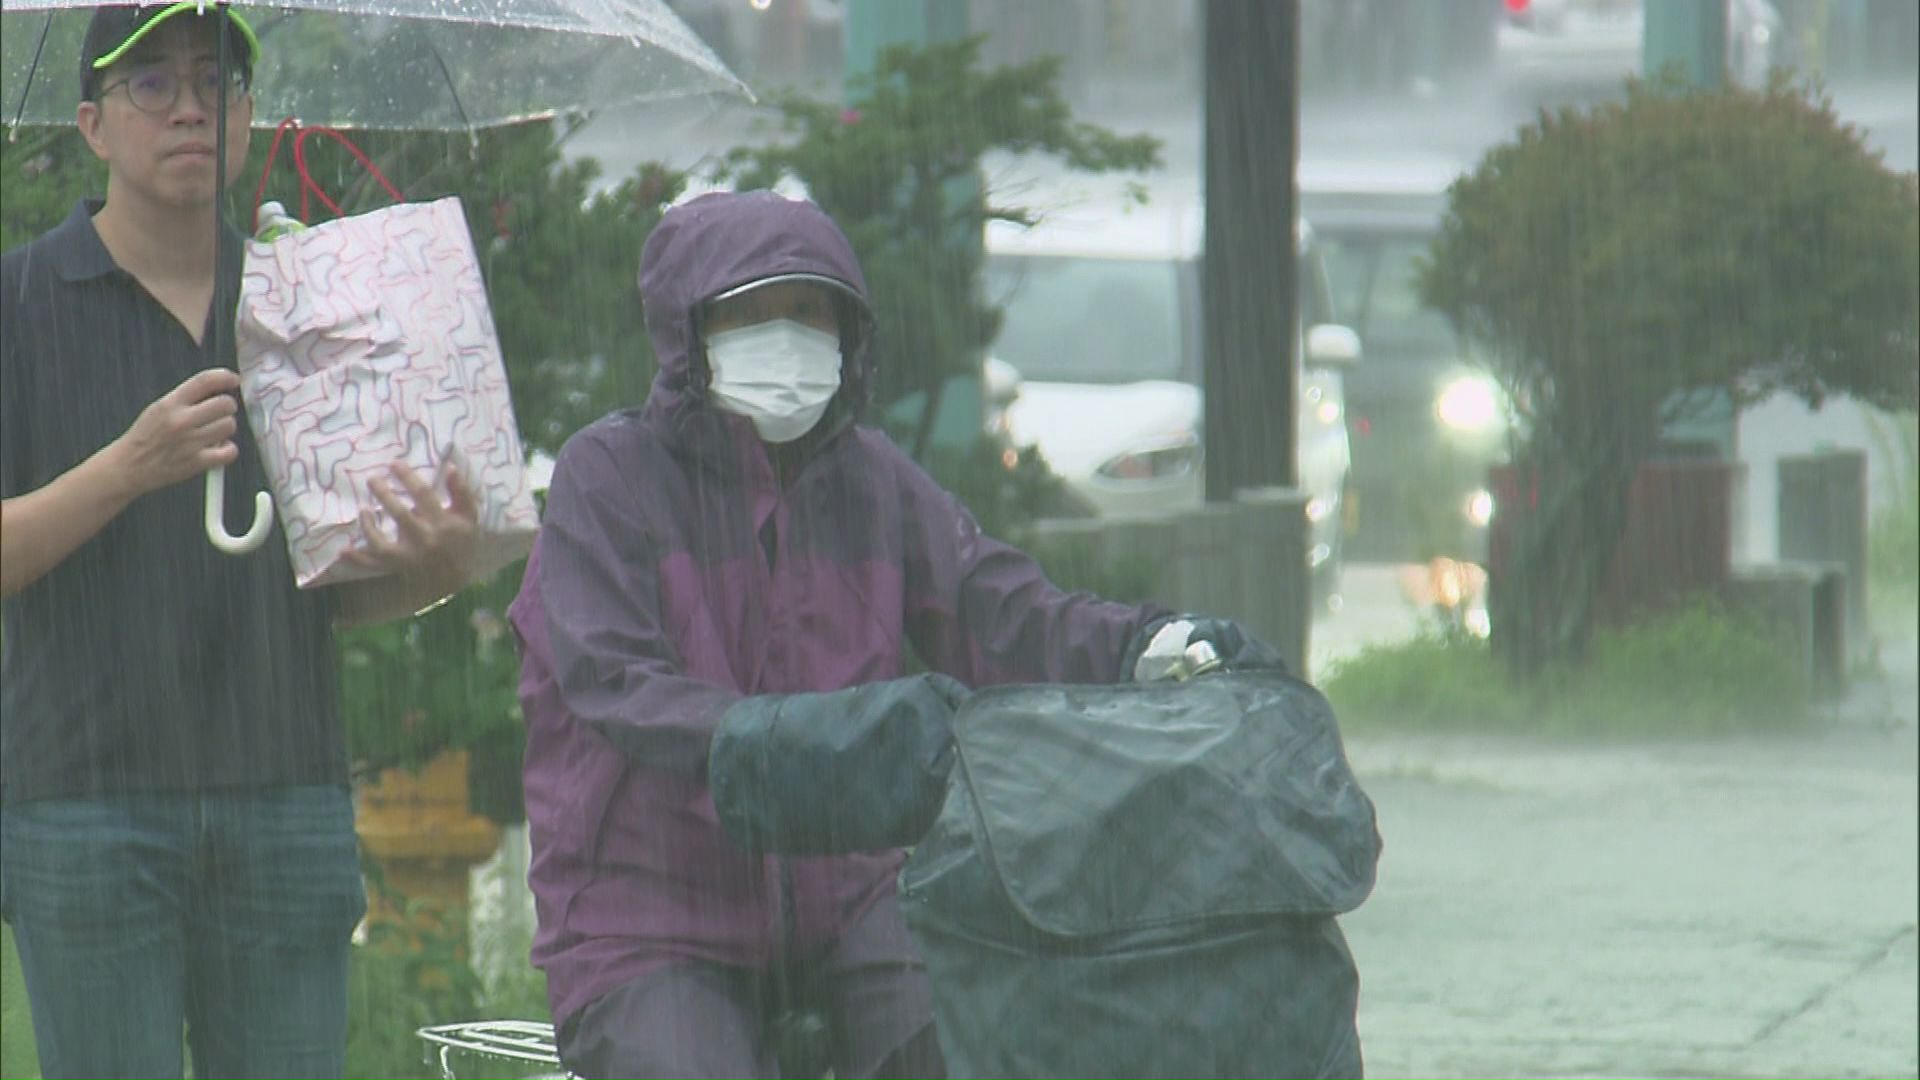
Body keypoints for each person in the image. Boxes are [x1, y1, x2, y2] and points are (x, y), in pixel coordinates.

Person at [510, 189, 1282, 1080]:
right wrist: (788, 745)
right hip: (648, 916)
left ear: (849, 333)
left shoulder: (874, 483)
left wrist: (1143, 645)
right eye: (753, 310)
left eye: (809, 310)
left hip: (854, 895)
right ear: (690, 330)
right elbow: (614, 682)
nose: (788, 335)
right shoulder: (608, 480)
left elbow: (1004, 610)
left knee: (973, 1044)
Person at [0, 6, 480, 1078]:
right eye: (152, 84)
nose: (188, 108)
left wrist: (440, 565)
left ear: (248, 113)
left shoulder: (307, 301)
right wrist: (130, 467)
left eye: (214, 81)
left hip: (284, 796)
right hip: (85, 804)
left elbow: (337, 586)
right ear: (92, 123)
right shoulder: (20, 300)